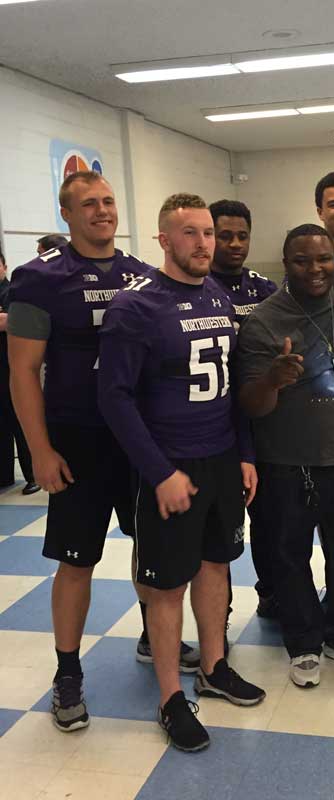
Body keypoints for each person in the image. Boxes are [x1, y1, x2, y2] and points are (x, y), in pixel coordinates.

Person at [6, 171, 198, 734]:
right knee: (76, 560)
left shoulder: (142, 275)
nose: (102, 211)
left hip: (140, 439)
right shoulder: (39, 279)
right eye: (88, 204)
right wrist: (39, 451)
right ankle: (68, 675)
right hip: (78, 442)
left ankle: (151, 634)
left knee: (152, 549)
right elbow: (22, 370)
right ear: (67, 215)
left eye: (109, 201)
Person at [98, 193, 265, 753]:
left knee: (217, 566)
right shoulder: (133, 306)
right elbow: (115, 399)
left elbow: (232, 387)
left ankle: (214, 666)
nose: (203, 244)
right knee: (167, 585)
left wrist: (243, 453)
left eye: (209, 234)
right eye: (189, 234)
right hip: (169, 466)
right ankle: (171, 696)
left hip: (220, 460)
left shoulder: (219, 295)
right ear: (164, 240)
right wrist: (160, 471)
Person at [237, 223, 334, 688]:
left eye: (324, 259)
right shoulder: (264, 321)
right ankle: (303, 642)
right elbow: (249, 404)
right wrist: (273, 380)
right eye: (302, 261)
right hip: (286, 462)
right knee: (289, 558)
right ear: (286, 265)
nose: (316, 269)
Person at [209, 199, 279, 618]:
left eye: (242, 236)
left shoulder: (264, 289)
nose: (235, 244)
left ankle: (271, 591)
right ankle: (219, 610)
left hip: (264, 421)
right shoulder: (196, 287)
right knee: (219, 527)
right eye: (225, 235)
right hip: (214, 421)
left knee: (270, 519)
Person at [0, 248, 39, 494]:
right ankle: (4, 476)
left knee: (20, 422)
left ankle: (32, 475)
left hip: (12, 366)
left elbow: (9, 321)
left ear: (3, 266)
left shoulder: (11, 291)